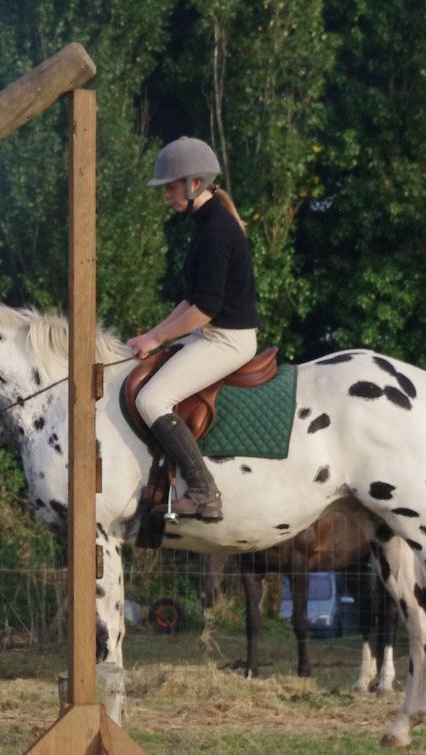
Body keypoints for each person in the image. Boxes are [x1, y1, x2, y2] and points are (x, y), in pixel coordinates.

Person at [127, 136, 261, 522]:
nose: (166, 195)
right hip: (210, 333)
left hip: (228, 340)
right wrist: (151, 336)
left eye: (170, 187)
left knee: (152, 400)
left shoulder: (217, 230)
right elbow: (190, 300)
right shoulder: (206, 224)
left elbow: (205, 309)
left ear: (194, 184)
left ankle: (204, 492)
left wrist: (157, 337)